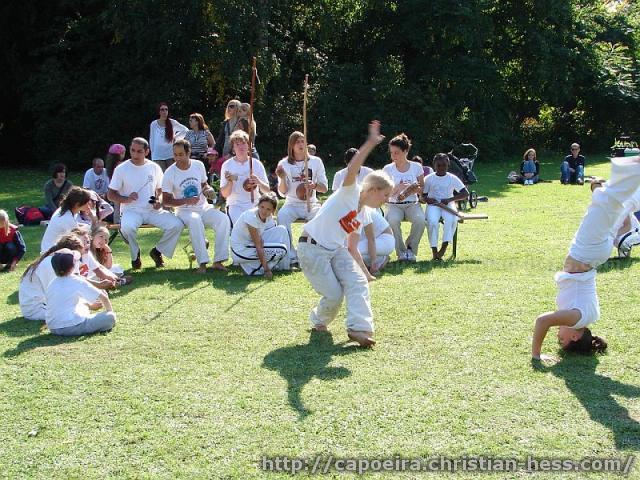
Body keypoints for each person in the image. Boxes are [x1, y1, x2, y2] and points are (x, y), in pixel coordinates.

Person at [531, 156, 640, 360]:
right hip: (586, 252)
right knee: (605, 204)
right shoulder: (576, 319)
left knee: (621, 207)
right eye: (562, 341)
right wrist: (537, 355)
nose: (558, 337)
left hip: (597, 254)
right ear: (574, 336)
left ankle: (605, 188)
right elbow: (542, 321)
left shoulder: (592, 315)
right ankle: (629, 169)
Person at [298, 120, 393, 347]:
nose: (386, 200)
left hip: (336, 251)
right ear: (373, 190)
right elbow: (352, 168)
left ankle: (359, 329)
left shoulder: (364, 214)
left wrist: (366, 273)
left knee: (358, 282)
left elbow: (351, 247)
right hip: (311, 248)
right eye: (385, 195)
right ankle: (319, 320)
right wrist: (370, 142)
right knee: (334, 295)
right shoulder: (349, 192)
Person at [107, 137, 184, 269]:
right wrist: (126, 199)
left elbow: (160, 190)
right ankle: (135, 255)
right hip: (131, 211)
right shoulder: (121, 169)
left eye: (139, 151)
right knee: (128, 227)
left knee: (177, 225)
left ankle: (157, 251)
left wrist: (159, 201)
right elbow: (110, 194)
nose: (135, 154)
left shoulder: (154, 167)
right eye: (133, 150)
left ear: (147, 151)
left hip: (152, 211)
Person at [162, 138, 230, 274]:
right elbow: (166, 201)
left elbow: (204, 184)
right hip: (184, 211)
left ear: (189, 153)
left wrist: (208, 190)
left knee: (223, 219)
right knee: (195, 219)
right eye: (175, 155)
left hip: (203, 208)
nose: (177, 158)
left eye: (181, 154)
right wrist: (186, 200)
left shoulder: (198, 165)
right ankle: (202, 263)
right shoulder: (169, 173)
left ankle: (218, 261)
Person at [276, 131, 329, 264]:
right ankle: (291, 255)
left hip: (311, 203)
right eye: (297, 142)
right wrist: (282, 178)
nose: (300, 144)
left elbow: (325, 188)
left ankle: (313, 253)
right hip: (291, 204)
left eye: (302, 141)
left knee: (319, 216)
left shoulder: (316, 162)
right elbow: (282, 192)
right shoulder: (284, 164)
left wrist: (314, 185)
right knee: (282, 215)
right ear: (291, 146)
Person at [45, 249, 116, 336]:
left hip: (53, 327)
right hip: (71, 327)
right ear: (73, 266)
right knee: (110, 317)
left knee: (82, 304)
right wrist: (110, 313)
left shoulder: (52, 283)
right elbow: (103, 297)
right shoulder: (76, 280)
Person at [19, 233, 84, 321]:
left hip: (44, 305)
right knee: (79, 312)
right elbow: (56, 293)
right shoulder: (50, 263)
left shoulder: (55, 262)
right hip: (36, 310)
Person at [382, 133, 425, 262]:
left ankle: (410, 250)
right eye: (391, 153)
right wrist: (398, 188)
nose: (393, 156)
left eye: (396, 153)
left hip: (412, 203)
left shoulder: (416, 167)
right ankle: (401, 252)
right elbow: (383, 194)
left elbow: (422, 189)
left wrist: (414, 189)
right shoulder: (387, 169)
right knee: (393, 220)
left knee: (420, 220)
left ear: (405, 151)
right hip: (393, 205)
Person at [230, 193, 290, 277]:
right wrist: (267, 270)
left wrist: (262, 241)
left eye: (268, 209)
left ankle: (284, 267)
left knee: (282, 230)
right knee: (282, 249)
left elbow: (266, 238)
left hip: (251, 244)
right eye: (262, 207)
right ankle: (255, 270)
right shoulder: (251, 216)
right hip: (241, 251)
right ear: (258, 205)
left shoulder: (269, 217)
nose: (264, 211)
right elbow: (258, 246)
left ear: (273, 210)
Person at [422, 153, 469, 261]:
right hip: (433, 205)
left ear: (448, 165)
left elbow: (465, 193)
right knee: (432, 221)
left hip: (448, 204)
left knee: (451, 219)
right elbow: (423, 196)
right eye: (438, 165)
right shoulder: (428, 178)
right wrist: (427, 199)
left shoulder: (452, 178)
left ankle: (444, 247)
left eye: (444, 165)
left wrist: (449, 200)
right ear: (434, 165)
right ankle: (434, 251)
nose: (441, 168)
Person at [219, 130, 270, 226]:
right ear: (233, 148)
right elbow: (225, 194)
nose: (241, 147)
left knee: (262, 226)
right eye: (237, 144)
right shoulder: (227, 165)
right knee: (243, 226)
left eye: (243, 143)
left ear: (249, 146)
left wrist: (258, 182)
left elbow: (267, 190)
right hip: (235, 205)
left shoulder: (257, 164)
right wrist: (230, 182)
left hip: (255, 203)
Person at [40, 187, 92, 253]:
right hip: (50, 252)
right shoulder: (67, 218)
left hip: (54, 249)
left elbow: (78, 226)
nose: (89, 205)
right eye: (86, 203)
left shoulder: (67, 210)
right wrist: (93, 219)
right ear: (77, 204)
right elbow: (81, 235)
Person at [353, 208, 394, 275]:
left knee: (351, 251)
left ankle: (377, 262)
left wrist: (373, 264)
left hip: (386, 241)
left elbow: (371, 239)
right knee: (350, 252)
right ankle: (381, 259)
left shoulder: (364, 212)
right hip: (373, 239)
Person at [149, 102, 188, 171]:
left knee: (172, 174)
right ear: (159, 111)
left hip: (170, 154)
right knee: (161, 175)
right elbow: (152, 140)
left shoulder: (172, 122)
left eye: (166, 109)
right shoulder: (154, 124)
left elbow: (185, 130)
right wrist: (153, 154)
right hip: (158, 155)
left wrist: (176, 138)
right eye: (162, 109)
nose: (164, 111)